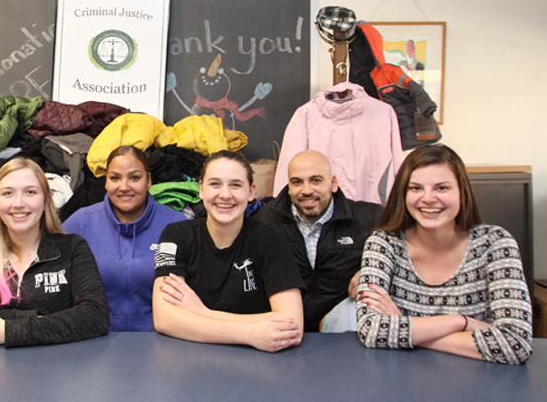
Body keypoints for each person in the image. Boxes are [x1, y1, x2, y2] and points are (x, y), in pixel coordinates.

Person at [357, 144, 532, 364]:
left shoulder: (495, 243)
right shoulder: (384, 243)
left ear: (462, 192)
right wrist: (461, 322)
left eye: (441, 188)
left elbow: (515, 343)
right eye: (416, 188)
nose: (428, 198)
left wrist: (404, 326)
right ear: (403, 193)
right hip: (402, 381)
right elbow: (370, 330)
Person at [0, 158, 109, 347]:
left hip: (58, 370)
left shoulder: (72, 248)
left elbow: (95, 315)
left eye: (30, 192)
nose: (18, 203)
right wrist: (43, 320)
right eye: (8, 193)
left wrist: (8, 331)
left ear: (46, 199)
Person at [153, 150, 305, 352]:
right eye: (215, 184)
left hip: (257, 366)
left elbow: (292, 323)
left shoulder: (270, 239)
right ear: (201, 189)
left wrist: (202, 312)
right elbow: (165, 318)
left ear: (251, 192)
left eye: (235, 185)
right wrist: (250, 333)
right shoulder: (176, 235)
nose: (225, 194)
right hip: (190, 360)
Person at [253, 150, 383, 332]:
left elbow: (410, 250)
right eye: (297, 182)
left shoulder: (371, 218)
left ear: (333, 183)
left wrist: (372, 269)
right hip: (282, 334)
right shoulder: (264, 221)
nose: (306, 191)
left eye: (316, 180)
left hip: (343, 338)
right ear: (289, 186)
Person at [62, 146, 187, 331]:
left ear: (149, 180)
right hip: (92, 343)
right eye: (115, 178)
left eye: (134, 177)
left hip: (161, 342)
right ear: (105, 182)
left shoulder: (176, 225)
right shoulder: (81, 222)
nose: (124, 187)